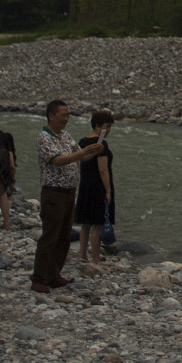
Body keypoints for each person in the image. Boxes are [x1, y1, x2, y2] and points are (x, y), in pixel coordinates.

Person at [32, 100, 108, 293]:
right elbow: (58, 161)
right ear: (51, 116)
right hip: (53, 192)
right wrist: (84, 151)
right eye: (63, 115)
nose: (66, 119)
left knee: (64, 235)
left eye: (67, 115)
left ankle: (54, 274)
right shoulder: (44, 138)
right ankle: (40, 277)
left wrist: (92, 151)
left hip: (68, 192)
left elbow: (79, 156)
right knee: (50, 235)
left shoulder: (65, 136)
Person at [75, 110, 116, 270]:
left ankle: (83, 256)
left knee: (85, 224)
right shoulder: (101, 145)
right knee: (97, 224)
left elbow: (79, 162)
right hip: (97, 187)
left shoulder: (83, 141)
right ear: (98, 126)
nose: (109, 130)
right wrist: (108, 190)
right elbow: (103, 170)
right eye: (107, 127)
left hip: (85, 185)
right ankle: (96, 258)